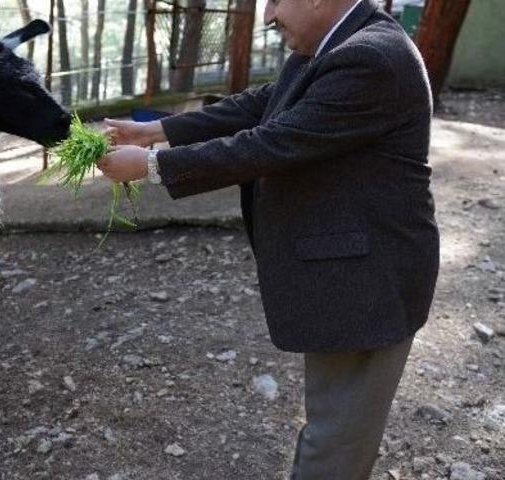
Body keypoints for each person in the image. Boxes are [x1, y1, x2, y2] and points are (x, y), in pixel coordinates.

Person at [97, 0, 439, 478]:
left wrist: (153, 166)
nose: (267, 17)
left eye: (275, 0)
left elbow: (274, 141)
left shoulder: (372, 57)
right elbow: (264, 103)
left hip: (370, 284)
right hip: (350, 274)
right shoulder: (337, 42)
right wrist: (154, 130)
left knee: (336, 441)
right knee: (330, 422)